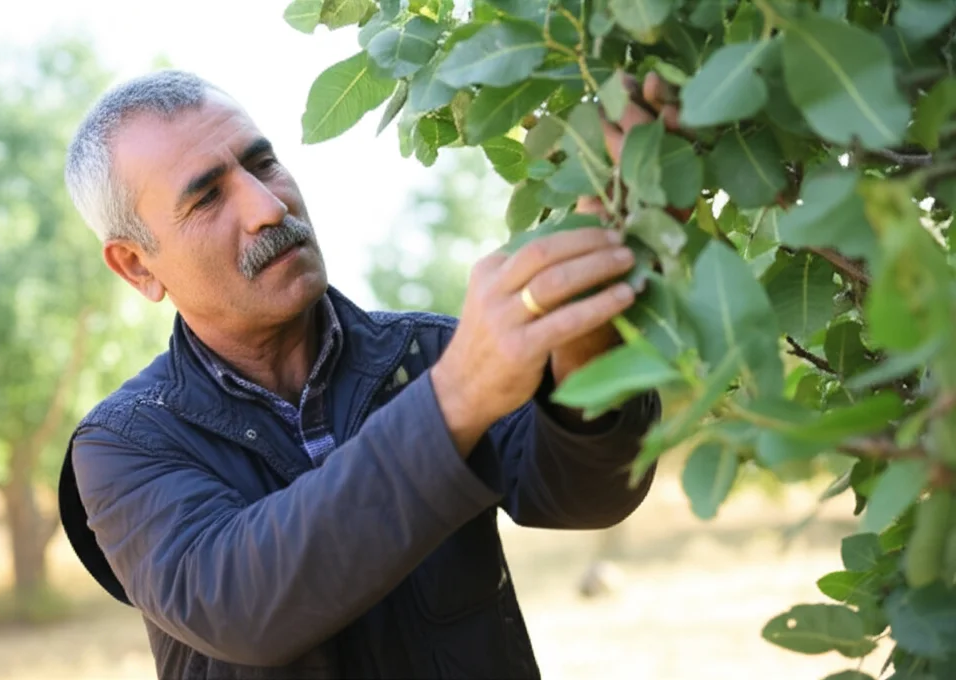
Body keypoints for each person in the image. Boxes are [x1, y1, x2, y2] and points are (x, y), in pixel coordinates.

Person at [57, 68, 677, 679]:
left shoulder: (428, 351)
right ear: (137, 266)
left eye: (263, 163)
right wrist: (455, 398)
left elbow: (587, 493)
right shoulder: (121, 444)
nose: (268, 207)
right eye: (208, 197)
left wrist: (586, 327)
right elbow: (242, 605)